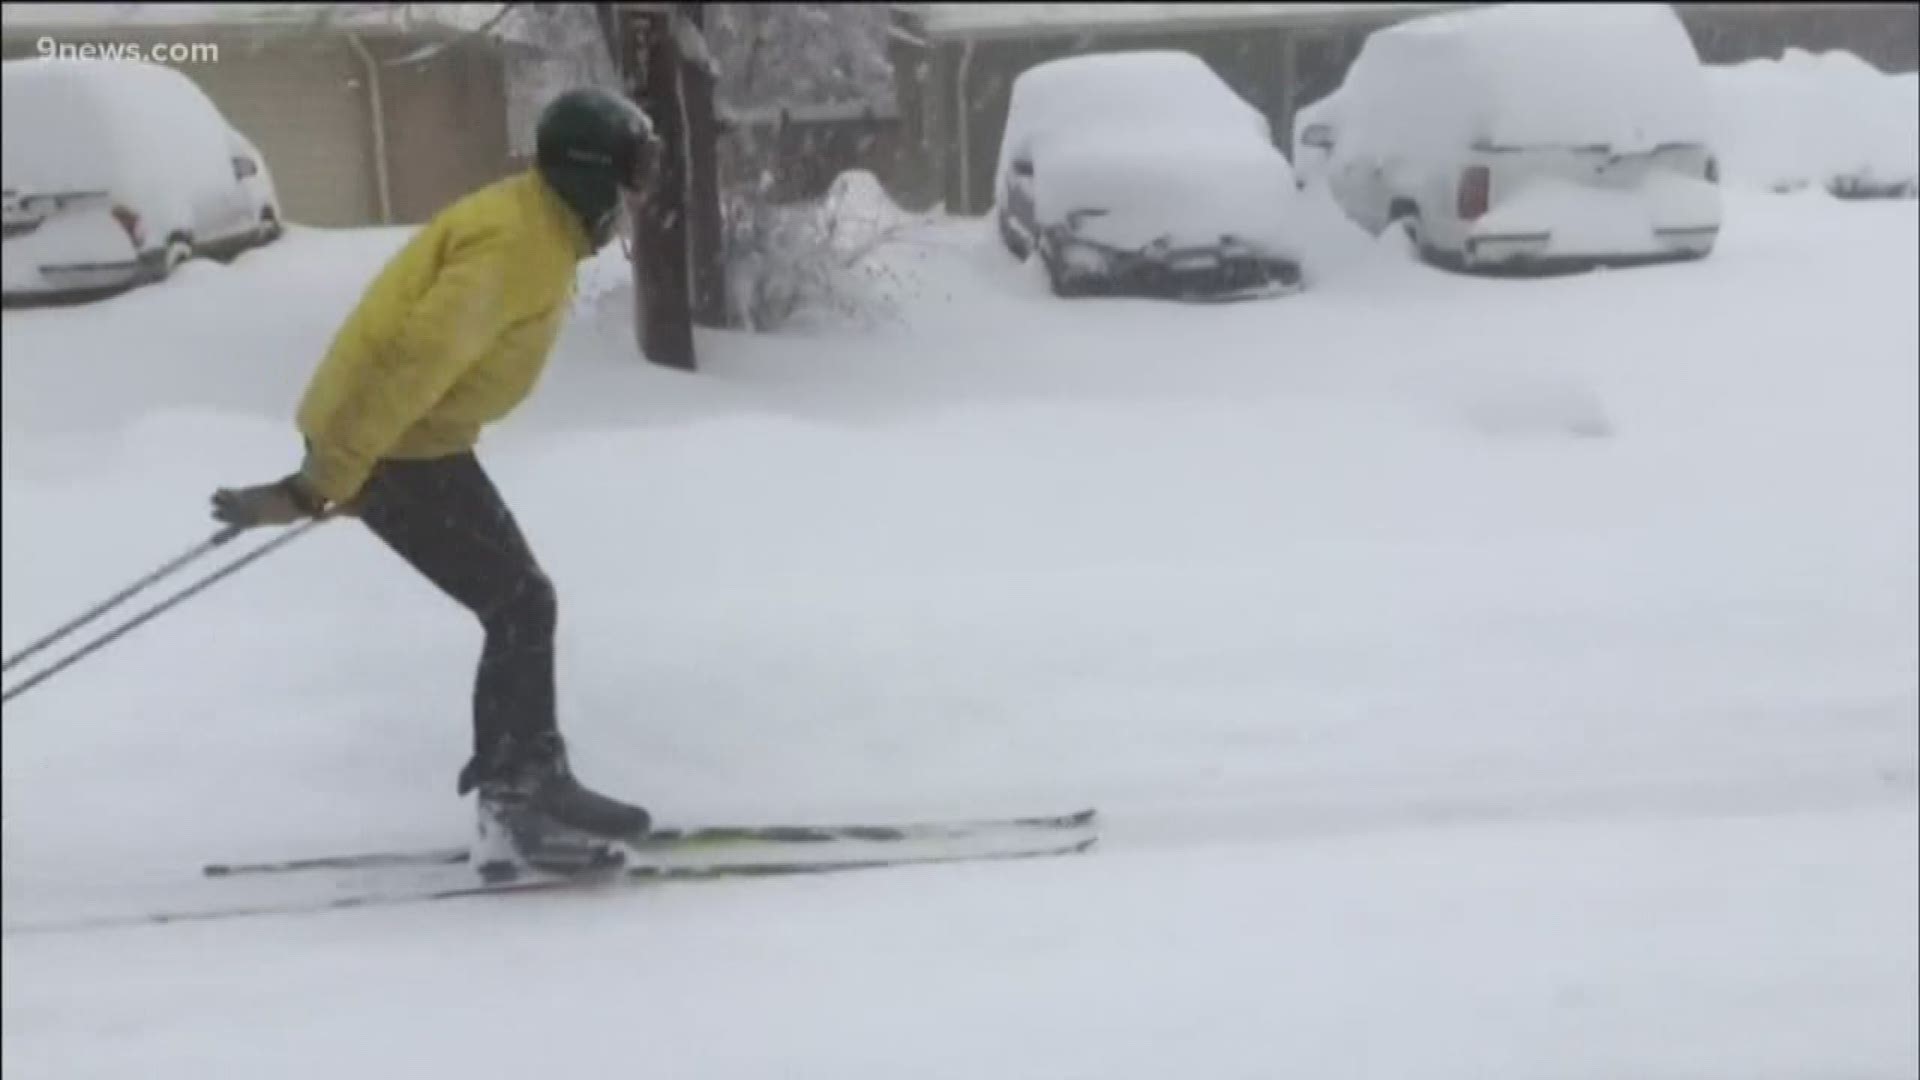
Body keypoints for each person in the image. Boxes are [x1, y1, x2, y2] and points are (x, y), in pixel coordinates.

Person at [209, 88, 657, 878]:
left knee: (516, 601)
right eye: (624, 183)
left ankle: (519, 787)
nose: (626, 206)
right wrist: (326, 480)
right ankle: (520, 799)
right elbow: (409, 364)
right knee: (521, 602)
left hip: (412, 440)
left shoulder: (533, 225)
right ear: (588, 176)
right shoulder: (518, 246)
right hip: (392, 445)